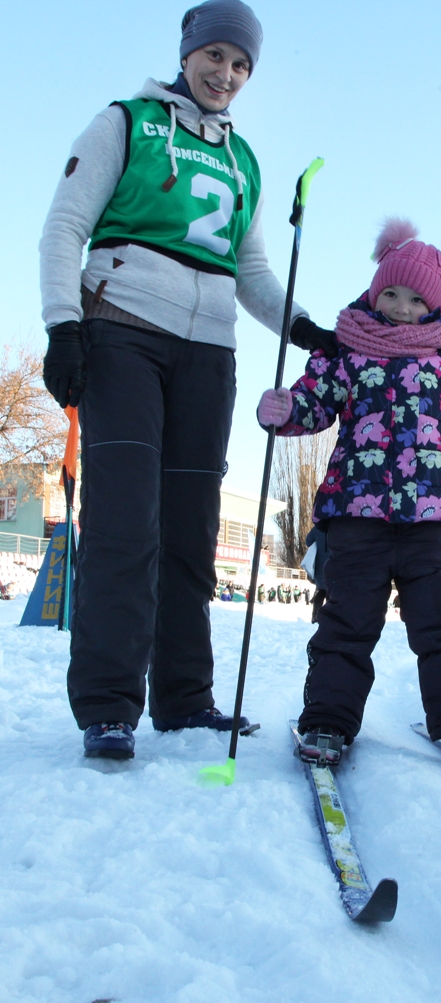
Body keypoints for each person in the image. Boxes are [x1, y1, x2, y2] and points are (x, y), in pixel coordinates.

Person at [39, 0, 334, 761]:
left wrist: (306, 330)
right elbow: (65, 225)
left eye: (241, 65)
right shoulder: (126, 122)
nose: (226, 74)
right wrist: (62, 325)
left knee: (191, 533)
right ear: (188, 52)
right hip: (123, 329)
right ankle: (109, 705)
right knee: (125, 524)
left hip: (210, 351)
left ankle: (184, 697)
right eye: (216, 57)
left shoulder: (245, 161)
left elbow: (253, 271)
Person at [258, 219, 441, 765]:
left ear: (435, 305)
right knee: (345, 623)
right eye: (390, 293)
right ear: (375, 291)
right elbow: (316, 404)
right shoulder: (346, 352)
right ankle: (327, 721)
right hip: (356, 514)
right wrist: (285, 411)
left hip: (431, 517)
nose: (400, 306)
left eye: (416, 299)